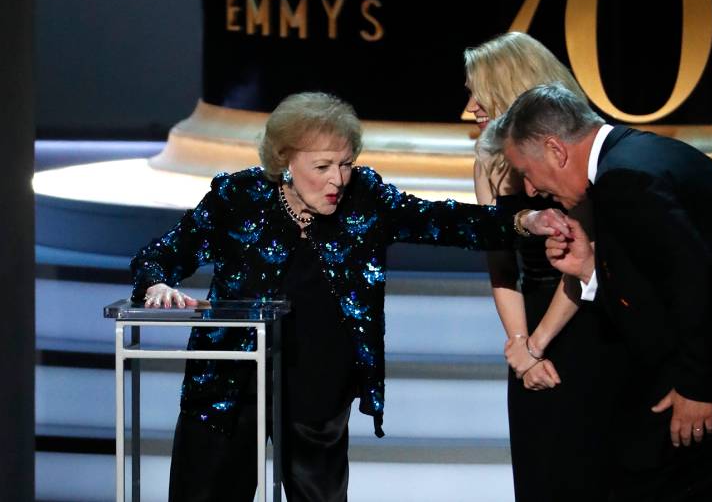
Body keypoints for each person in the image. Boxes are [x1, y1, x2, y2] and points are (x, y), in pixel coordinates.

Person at [131, 92, 560, 502]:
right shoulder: (238, 197)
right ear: (284, 160)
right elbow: (164, 253)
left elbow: (443, 220)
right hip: (228, 382)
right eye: (322, 166)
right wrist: (157, 283)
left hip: (318, 385)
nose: (337, 179)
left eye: (345, 164)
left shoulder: (364, 198)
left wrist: (525, 220)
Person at [483, 82, 712, 501]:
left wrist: (698, 389)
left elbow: (696, 281)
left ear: (557, 150)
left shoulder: (627, 179)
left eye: (527, 171)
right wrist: (589, 268)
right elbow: (662, 282)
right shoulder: (637, 157)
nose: (531, 190)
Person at [463, 32, 627, 500]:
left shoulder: (573, 154)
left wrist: (539, 343)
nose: (471, 104)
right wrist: (519, 344)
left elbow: (583, 261)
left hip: (590, 320)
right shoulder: (487, 162)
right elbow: (498, 262)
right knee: (539, 474)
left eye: (478, 90)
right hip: (531, 330)